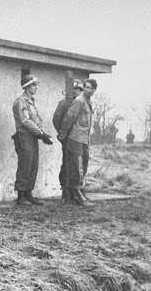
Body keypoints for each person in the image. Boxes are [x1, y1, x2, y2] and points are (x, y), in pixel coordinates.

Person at [12, 74, 53, 206]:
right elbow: (25, 121)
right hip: (24, 136)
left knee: (33, 165)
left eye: (36, 85)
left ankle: (29, 194)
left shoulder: (31, 101)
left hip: (33, 136)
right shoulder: (21, 101)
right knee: (25, 164)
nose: (36, 87)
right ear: (27, 86)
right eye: (34, 85)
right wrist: (41, 134)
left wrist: (42, 132)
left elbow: (36, 119)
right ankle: (21, 196)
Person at [59, 78, 97, 206]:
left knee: (83, 166)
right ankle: (76, 195)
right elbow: (69, 117)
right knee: (77, 167)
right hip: (75, 138)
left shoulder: (88, 101)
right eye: (87, 87)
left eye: (91, 88)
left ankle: (79, 192)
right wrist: (64, 133)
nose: (89, 90)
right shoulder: (80, 101)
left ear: (94, 90)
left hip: (84, 139)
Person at [52, 79, 84, 200]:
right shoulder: (64, 103)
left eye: (78, 90)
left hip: (79, 138)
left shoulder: (82, 103)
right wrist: (62, 133)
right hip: (67, 138)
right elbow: (56, 119)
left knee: (78, 165)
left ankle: (76, 189)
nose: (76, 92)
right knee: (67, 163)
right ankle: (66, 190)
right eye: (74, 89)